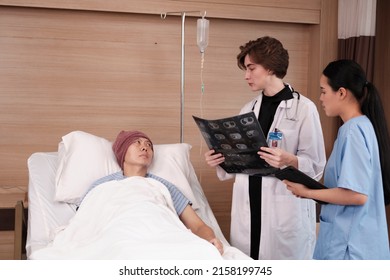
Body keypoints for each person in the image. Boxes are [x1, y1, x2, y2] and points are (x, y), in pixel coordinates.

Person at [204, 36, 326, 259]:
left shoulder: (303, 109)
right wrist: (221, 159)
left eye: (251, 68)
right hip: (249, 206)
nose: (246, 76)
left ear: (269, 67)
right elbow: (240, 162)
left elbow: (316, 166)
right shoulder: (247, 109)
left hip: (284, 208)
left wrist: (289, 160)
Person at [284, 59, 390, 259]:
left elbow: (357, 195)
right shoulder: (363, 126)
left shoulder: (353, 131)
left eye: (324, 91)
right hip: (357, 241)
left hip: (349, 247)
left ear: (341, 93)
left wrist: (307, 192)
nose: (321, 98)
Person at [84, 130, 224, 255]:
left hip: (161, 238)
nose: (145, 147)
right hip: (114, 237)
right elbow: (83, 222)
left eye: (149, 145)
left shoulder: (165, 187)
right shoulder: (102, 185)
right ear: (122, 152)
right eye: (137, 143)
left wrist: (211, 240)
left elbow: (197, 225)